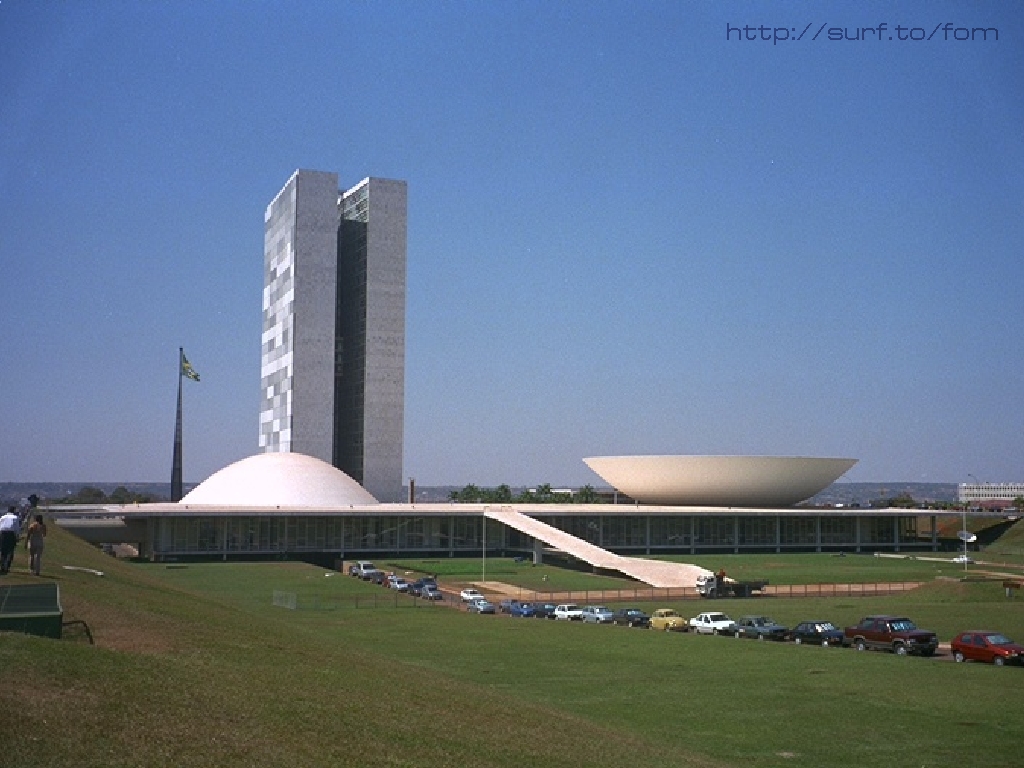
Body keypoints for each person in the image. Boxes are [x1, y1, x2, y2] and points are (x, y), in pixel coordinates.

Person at [0, 506, 20, 574]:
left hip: (2, 534)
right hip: (11, 534)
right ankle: (7, 566)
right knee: (10, 550)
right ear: (14, 511)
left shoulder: (2, 517)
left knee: (3, 551)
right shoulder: (15, 517)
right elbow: (17, 528)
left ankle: (2, 566)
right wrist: (17, 536)